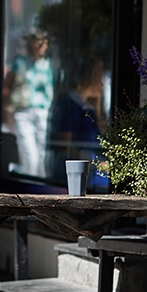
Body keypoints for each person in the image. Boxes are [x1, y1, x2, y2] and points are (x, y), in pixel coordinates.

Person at [49, 57, 109, 192]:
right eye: (98, 78)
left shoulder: (87, 106)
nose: (101, 84)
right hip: (76, 177)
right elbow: (63, 146)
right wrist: (97, 163)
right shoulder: (69, 104)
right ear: (87, 78)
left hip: (91, 172)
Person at [3, 31, 55, 177]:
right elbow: (8, 85)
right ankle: (31, 181)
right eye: (37, 41)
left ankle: (42, 182)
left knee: (43, 152)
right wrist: (6, 110)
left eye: (44, 41)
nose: (41, 44)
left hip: (44, 111)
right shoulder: (20, 61)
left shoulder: (49, 63)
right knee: (29, 152)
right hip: (23, 111)